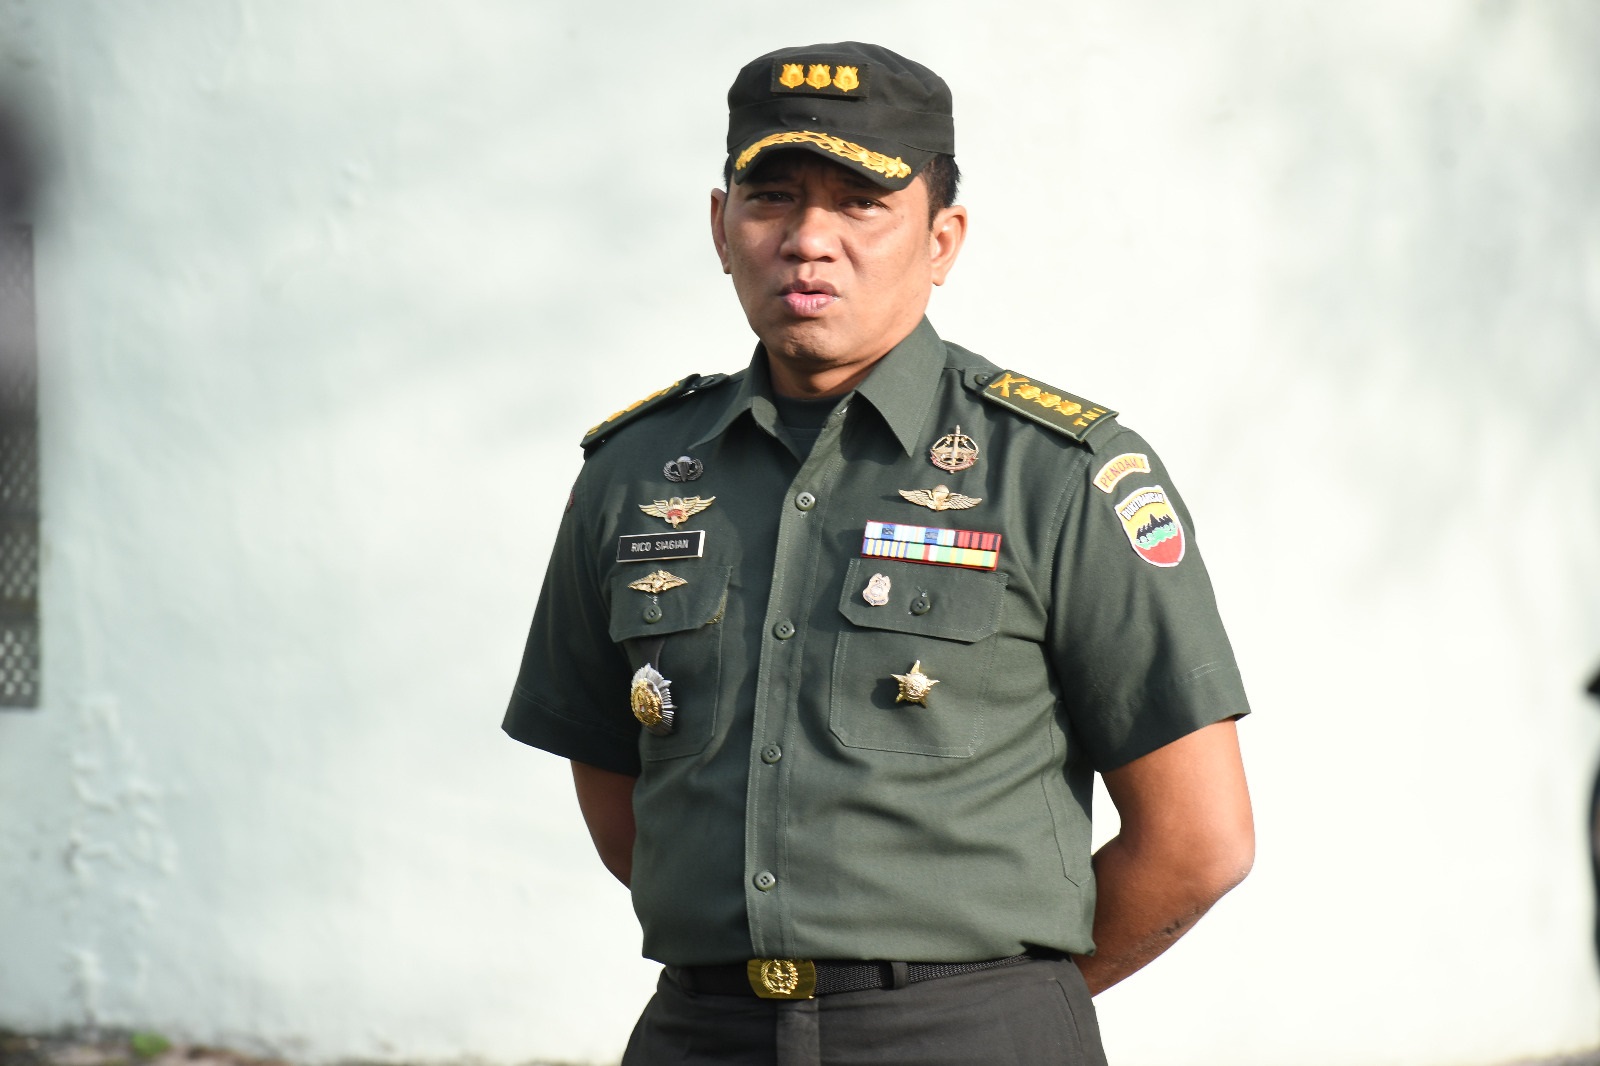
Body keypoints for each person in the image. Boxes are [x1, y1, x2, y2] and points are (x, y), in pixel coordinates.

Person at [504, 41, 1255, 1066]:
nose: (809, 240)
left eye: (861, 204)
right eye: (772, 198)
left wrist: (1003, 1000)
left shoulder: (1056, 475)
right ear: (721, 227)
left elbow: (1200, 839)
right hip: (702, 1031)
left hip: (967, 1032)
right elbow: (616, 788)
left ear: (942, 240)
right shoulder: (634, 472)